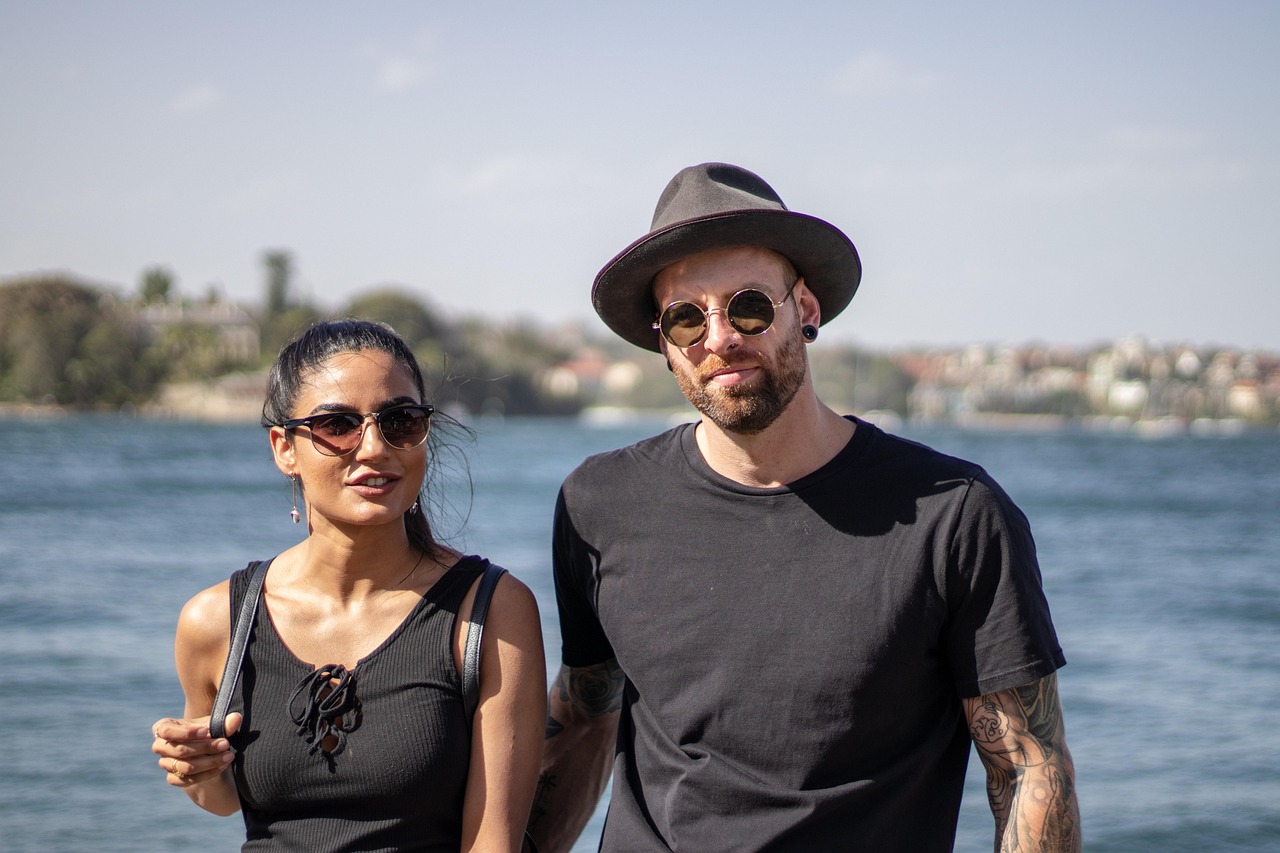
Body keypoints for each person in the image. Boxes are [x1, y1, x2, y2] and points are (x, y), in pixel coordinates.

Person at [528, 163, 1081, 852]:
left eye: (749, 305)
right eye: (686, 317)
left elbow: (1029, 768)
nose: (719, 337)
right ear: (664, 344)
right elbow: (585, 714)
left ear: (806, 310)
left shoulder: (956, 516)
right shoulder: (600, 503)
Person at [151, 319, 546, 852]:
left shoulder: (490, 612)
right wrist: (196, 770)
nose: (374, 447)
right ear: (284, 448)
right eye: (337, 424)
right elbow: (223, 799)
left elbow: (493, 843)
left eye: (400, 421)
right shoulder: (216, 620)